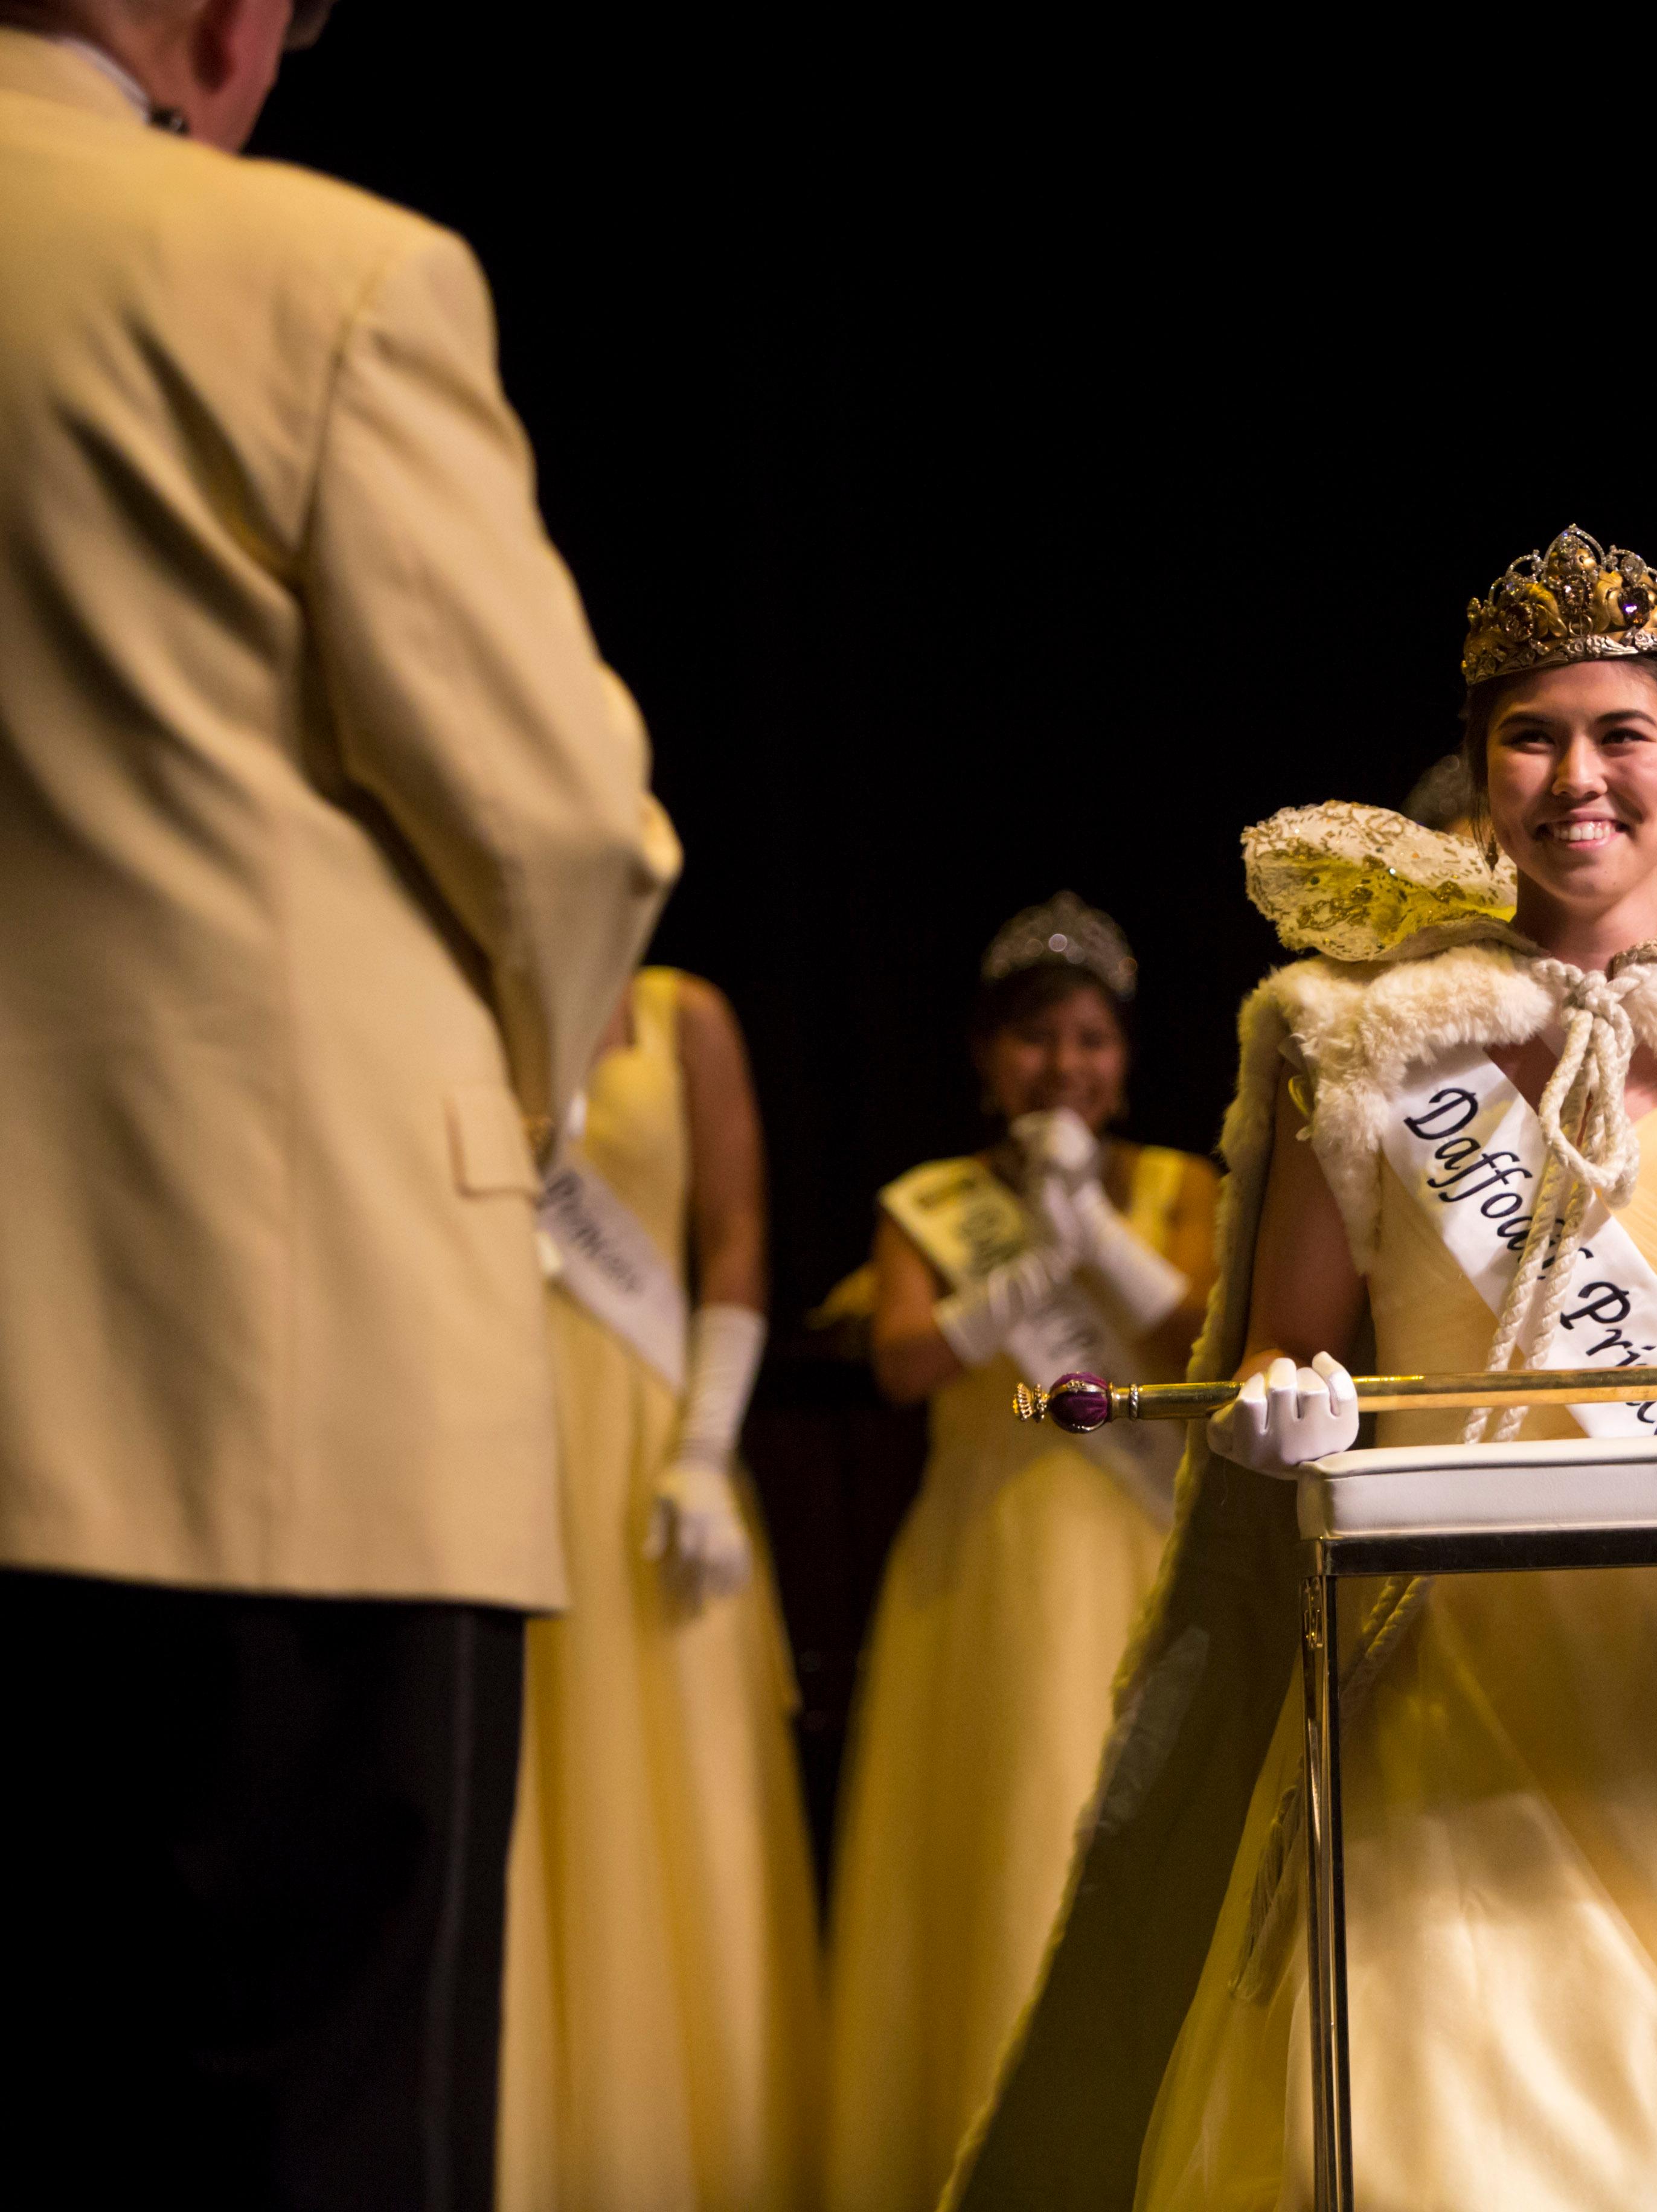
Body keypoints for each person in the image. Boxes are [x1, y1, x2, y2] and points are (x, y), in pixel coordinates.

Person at [953, 527, 1657, 2209]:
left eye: (1621, 733)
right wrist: (1295, 1415)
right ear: (1482, 773)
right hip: (1451, 1692)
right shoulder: (1363, 1036)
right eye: (1532, 733)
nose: (1578, 775)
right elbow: (1284, 1351)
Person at [0, 7, 677, 2205]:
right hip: (281, 1385)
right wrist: (530, 1111)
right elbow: (568, 829)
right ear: (213, 23)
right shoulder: (318, 274)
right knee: (312, 2132)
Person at [824, 897, 1220, 2212]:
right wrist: (1017, 1271)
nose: (1066, 1065)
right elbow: (898, 1360)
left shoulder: (1182, 1185)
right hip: (987, 1556)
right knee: (1003, 1828)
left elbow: (1200, 1357)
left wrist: (1094, 1235)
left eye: (1092, 1038)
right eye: (1038, 1038)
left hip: (1133, 1544)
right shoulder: (930, 1203)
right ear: (989, 1057)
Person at [499, 968, 822, 2210]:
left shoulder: (682, 1011)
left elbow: (734, 1233)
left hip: (645, 1439)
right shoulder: (465, 980)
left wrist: (700, 1450)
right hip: (501, 1424)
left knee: (675, 1782)